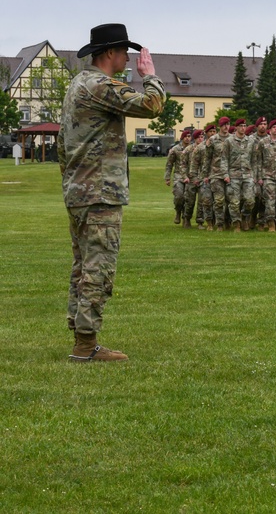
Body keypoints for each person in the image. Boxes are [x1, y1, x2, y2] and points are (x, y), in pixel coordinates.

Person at [57, 23, 165, 361]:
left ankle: (82, 336)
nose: (129, 58)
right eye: (124, 52)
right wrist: (151, 75)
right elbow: (151, 106)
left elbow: (62, 145)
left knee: (83, 266)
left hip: (80, 190)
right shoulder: (99, 85)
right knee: (98, 267)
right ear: (109, 53)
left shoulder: (78, 84)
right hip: (99, 193)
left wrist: (72, 180)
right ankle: (86, 345)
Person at [223, 118, 255, 231]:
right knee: (234, 202)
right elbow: (224, 159)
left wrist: (254, 175)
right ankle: (236, 223)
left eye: (244, 125)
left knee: (250, 200)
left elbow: (254, 159)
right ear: (236, 127)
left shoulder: (250, 141)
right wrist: (225, 174)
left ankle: (245, 217)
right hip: (233, 175)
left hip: (247, 175)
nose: (243, 128)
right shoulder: (229, 141)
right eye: (240, 125)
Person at [164, 129, 190, 224]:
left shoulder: (192, 148)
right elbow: (169, 164)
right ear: (182, 138)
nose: (187, 138)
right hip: (178, 175)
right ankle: (178, 211)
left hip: (190, 175)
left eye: (189, 136)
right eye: (185, 136)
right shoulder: (175, 149)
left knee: (188, 198)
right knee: (179, 196)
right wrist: (167, 178)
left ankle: (186, 218)